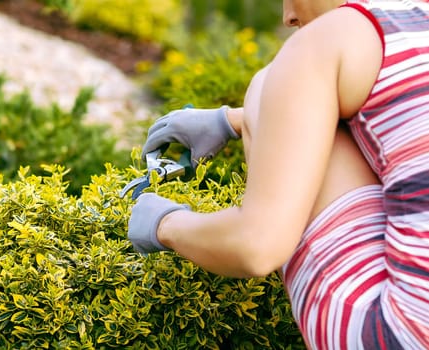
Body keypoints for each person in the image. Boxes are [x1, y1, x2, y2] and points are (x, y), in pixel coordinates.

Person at [127, 0, 429, 348]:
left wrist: (163, 222)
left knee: (268, 81)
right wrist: (234, 120)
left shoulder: (328, 41)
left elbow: (257, 246)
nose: (289, 17)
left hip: (395, 336)